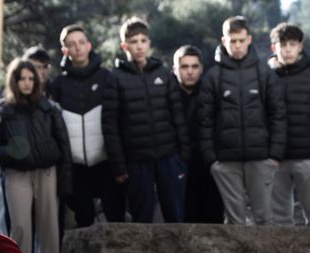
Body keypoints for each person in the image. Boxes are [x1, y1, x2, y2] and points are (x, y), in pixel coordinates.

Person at [199, 16, 287, 226]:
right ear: (223, 41)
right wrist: (212, 160)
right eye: (232, 41)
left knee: (264, 218)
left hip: (261, 158)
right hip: (225, 161)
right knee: (234, 221)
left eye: (240, 40)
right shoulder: (213, 77)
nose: (237, 45)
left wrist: (275, 155)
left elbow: (278, 115)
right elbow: (204, 121)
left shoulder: (264, 74)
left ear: (249, 39)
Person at [102, 17, 190, 223]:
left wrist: (183, 157)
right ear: (125, 46)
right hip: (136, 160)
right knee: (142, 218)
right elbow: (110, 125)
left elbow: (177, 115)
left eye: (143, 40)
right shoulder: (115, 78)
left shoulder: (164, 74)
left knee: (175, 215)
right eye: (134, 41)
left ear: (149, 43)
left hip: (168, 157)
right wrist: (119, 166)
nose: (139, 46)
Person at [50, 24, 125, 227]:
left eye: (81, 42)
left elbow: (117, 121)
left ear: (89, 45)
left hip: (105, 162)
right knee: (83, 220)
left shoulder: (107, 77)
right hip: (75, 167)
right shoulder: (58, 84)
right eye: (71, 44)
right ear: (65, 51)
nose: (78, 48)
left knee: (116, 217)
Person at [0, 59, 72, 253]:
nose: (27, 83)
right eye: (22, 78)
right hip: (16, 174)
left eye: (31, 78)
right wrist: (10, 153)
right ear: (14, 81)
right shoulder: (2, 110)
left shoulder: (49, 108)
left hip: (47, 172)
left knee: (49, 225)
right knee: (20, 225)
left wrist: (65, 183)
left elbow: (64, 145)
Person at [268, 23, 310, 227]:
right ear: (273, 48)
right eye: (282, 44)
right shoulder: (266, 78)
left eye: (292, 44)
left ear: (300, 46)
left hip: (308, 159)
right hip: (275, 160)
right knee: (279, 221)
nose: (287, 49)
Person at [173, 44, 223, 224]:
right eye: (184, 67)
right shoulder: (168, 96)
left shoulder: (211, 93)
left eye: (194, 66)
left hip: (209, 164)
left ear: (201, 68)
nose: (190, 72)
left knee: (213, 217)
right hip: (179, 165)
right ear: (175, 69)